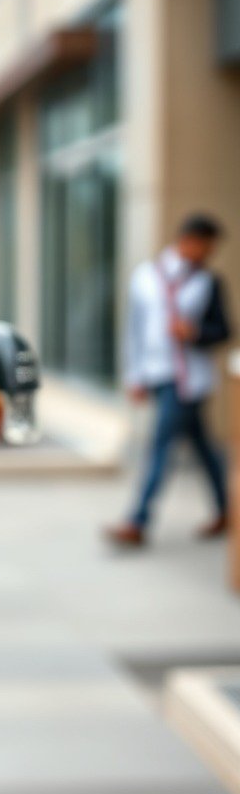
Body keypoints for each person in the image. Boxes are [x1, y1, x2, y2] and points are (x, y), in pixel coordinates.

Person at [106, 214, 232, 546]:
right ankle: (227, 509)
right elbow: (134, 331)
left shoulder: (209, 282)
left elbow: (224, 331)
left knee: (161, 445)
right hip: (158, 373)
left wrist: (195, 333)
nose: (209, 252)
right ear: (189, 240)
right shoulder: (146, 277)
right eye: (207, 245)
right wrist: (134, 375)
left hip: (190, 380)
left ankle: (138, 520)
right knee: (204, 449)